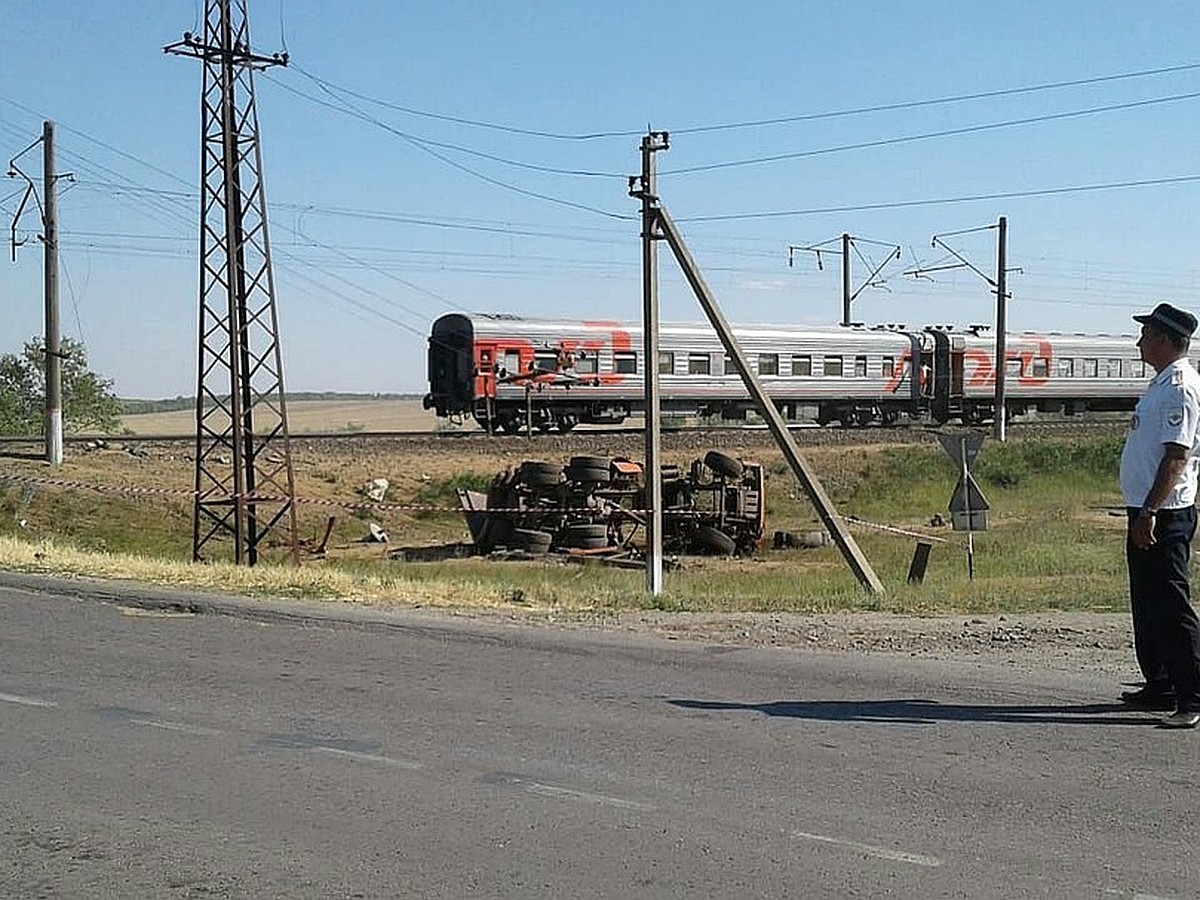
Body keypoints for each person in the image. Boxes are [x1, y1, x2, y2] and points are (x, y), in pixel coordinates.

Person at [1118, 302, 1200, 728]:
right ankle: (1162, 684)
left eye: (1146, 334)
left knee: (1170, 603)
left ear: (1165, 339)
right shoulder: (1160, 383)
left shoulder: (1180, 387)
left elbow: (1176, 457)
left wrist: (1149, 511)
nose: (1139, 342)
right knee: (1148, 602)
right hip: (1146, 509)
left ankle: (1192, 697)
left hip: (1164, 512)